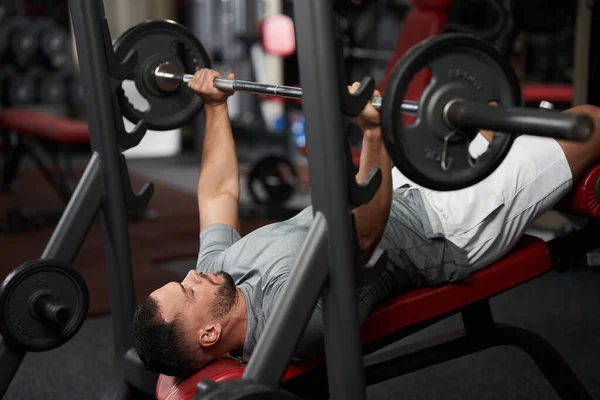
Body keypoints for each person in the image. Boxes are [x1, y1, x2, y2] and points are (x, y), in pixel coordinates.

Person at [132, 68, 600, 379]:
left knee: (496, 113)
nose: (193, 274)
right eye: (188, 291)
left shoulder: (219, 274)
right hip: (450, 223)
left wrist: (215, 106)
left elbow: (217, 193)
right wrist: (375, 135)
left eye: (183, 280)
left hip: (403, 187)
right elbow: (363, 241)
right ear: (209, 335)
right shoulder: (290, 322)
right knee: (587, 124)